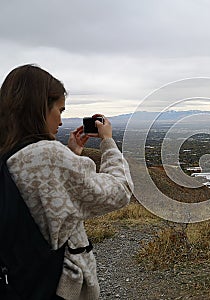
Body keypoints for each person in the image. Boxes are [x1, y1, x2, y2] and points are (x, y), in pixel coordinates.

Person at [0, 64, 133, 299]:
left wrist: (71, 155)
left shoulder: (8, 153)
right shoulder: (49, 157)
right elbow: (119, 191)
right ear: (41, 108)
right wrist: (108, 143)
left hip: (20, 281)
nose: (60, 121)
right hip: (55, 287)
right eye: (59, 110)